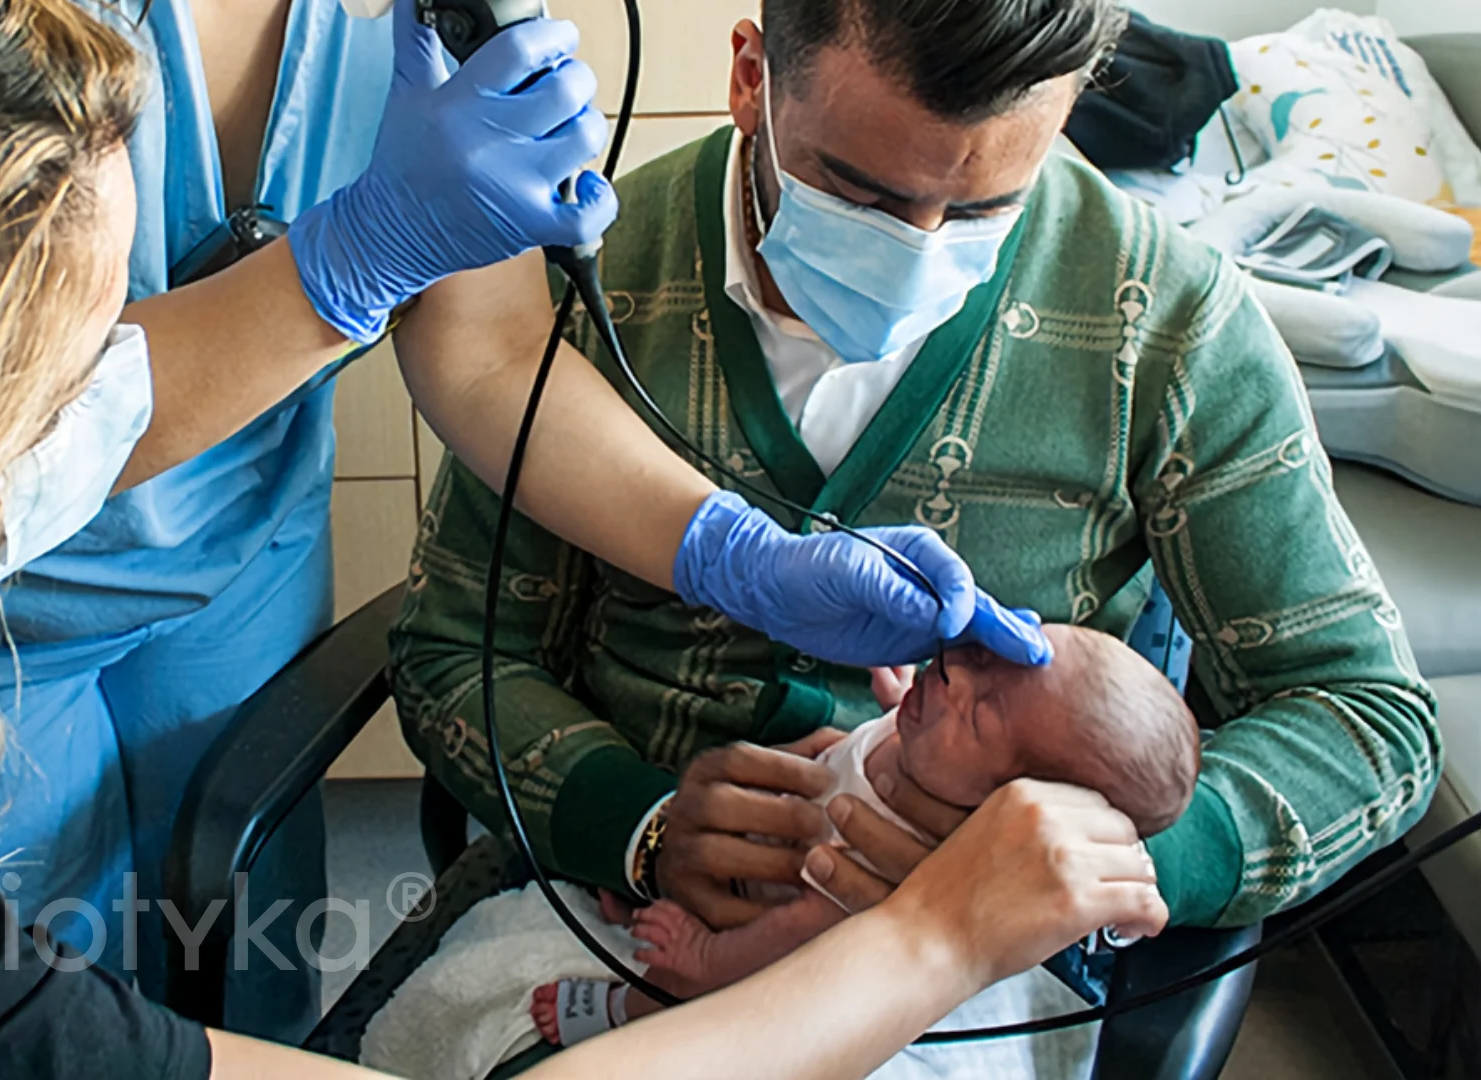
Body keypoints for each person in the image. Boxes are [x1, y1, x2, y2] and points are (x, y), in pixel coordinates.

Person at [0, 1, 1167, 1076]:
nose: (103, 420)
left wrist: (728, 550)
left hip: (159, 599)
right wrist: (930, 932)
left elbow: (474, 349)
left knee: (214, 963)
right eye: (70, 388)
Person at [0, 0, 1051, 1016]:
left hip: (235, 550)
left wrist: (731, 550)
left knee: (244, 972)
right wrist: (347, 259)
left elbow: (488, 349)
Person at [392, 0, 1439, 1064]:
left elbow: (1370, 722)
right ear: (752, 76)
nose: (919, 250)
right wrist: (635, 819)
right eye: (860, 192)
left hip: (983, 972)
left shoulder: (1161, 322)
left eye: (989, 207)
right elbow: (451, 652)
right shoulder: (583, 278)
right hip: (614, 908)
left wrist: (1073, 865)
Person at [532, 625, 1202, 1043]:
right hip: (738, 845)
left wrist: (707, 956)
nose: (957, 673)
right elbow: (881, 744)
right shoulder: (931, 740)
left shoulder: (910, 862)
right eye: (995, 653)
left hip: (774, 925)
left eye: (983, 710)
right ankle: (648, 907)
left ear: (1017, 812)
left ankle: (618, 1010)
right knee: (677, 879)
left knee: (685, 989)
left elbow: (795, 933)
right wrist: (895, 704)